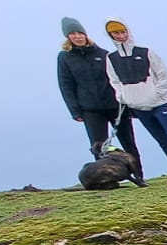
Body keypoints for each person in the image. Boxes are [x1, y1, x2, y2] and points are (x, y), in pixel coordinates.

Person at [103, 17, 167, 184]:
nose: (121, 36)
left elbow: (164, 75)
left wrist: (156, 94)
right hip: (139, 108)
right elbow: (114, 80)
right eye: (116, 33)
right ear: (110, 35)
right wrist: (123, 97)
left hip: (159, 104)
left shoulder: (146, 52)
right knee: (163, 142)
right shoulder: (111, 58)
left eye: (123, 31)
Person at [57, 17, 142, 181]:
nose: (77, 37)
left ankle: (139, 175)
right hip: (90, 109)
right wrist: (75, 111)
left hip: (115, 106)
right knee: (99, 146)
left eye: (80, 33)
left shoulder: (104, 54)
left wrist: (130, 106)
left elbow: (120, 80)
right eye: (73, 34)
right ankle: (104, 180)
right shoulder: (65, 58)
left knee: (128, 142)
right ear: (68, 37)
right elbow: (66, 85)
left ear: (85, 34)